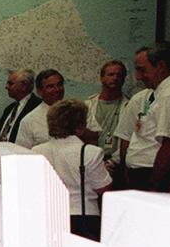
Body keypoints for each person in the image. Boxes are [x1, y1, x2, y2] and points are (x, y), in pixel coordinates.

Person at [32, 100, 111, 236]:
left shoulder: (36, 151)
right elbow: (103, 189)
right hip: (84, 216)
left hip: (49, 215)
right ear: (80, 127)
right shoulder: (90, 152)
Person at [115, 44, 170, 190]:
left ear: (161, 66)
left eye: (142, 70)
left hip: (156, 175)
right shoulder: (152, 94)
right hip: (140, 173)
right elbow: (126, 138)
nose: (138, 77)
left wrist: (154, 183)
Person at [17, 69, 98, 149]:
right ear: (39, 91)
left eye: (59, 84)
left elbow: (94, 139)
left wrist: (79, 130)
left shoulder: (80, 111)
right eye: (50, 86)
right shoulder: (29, 120)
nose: (57, 90)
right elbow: (23, 153)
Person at [144, 41, 170, 191]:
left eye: (146, 69)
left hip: (163, 176)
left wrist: (154, 184)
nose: (142, 76)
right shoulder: (165, 91)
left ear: (161, 66)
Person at [85, 59, 127, 166]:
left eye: (119, 75)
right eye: (111, 74)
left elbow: (128, 139)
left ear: (123, 79)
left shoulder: (129, 106)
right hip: (92, 162)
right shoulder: (88, 105)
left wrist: (112, 162)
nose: (115, 78)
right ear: (102, 78)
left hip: (117, 163)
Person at [0, 68, 40, 143]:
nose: (6, 87)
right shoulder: (9, 109)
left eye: (10, 84)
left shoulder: (37, 107)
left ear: (23, 86)